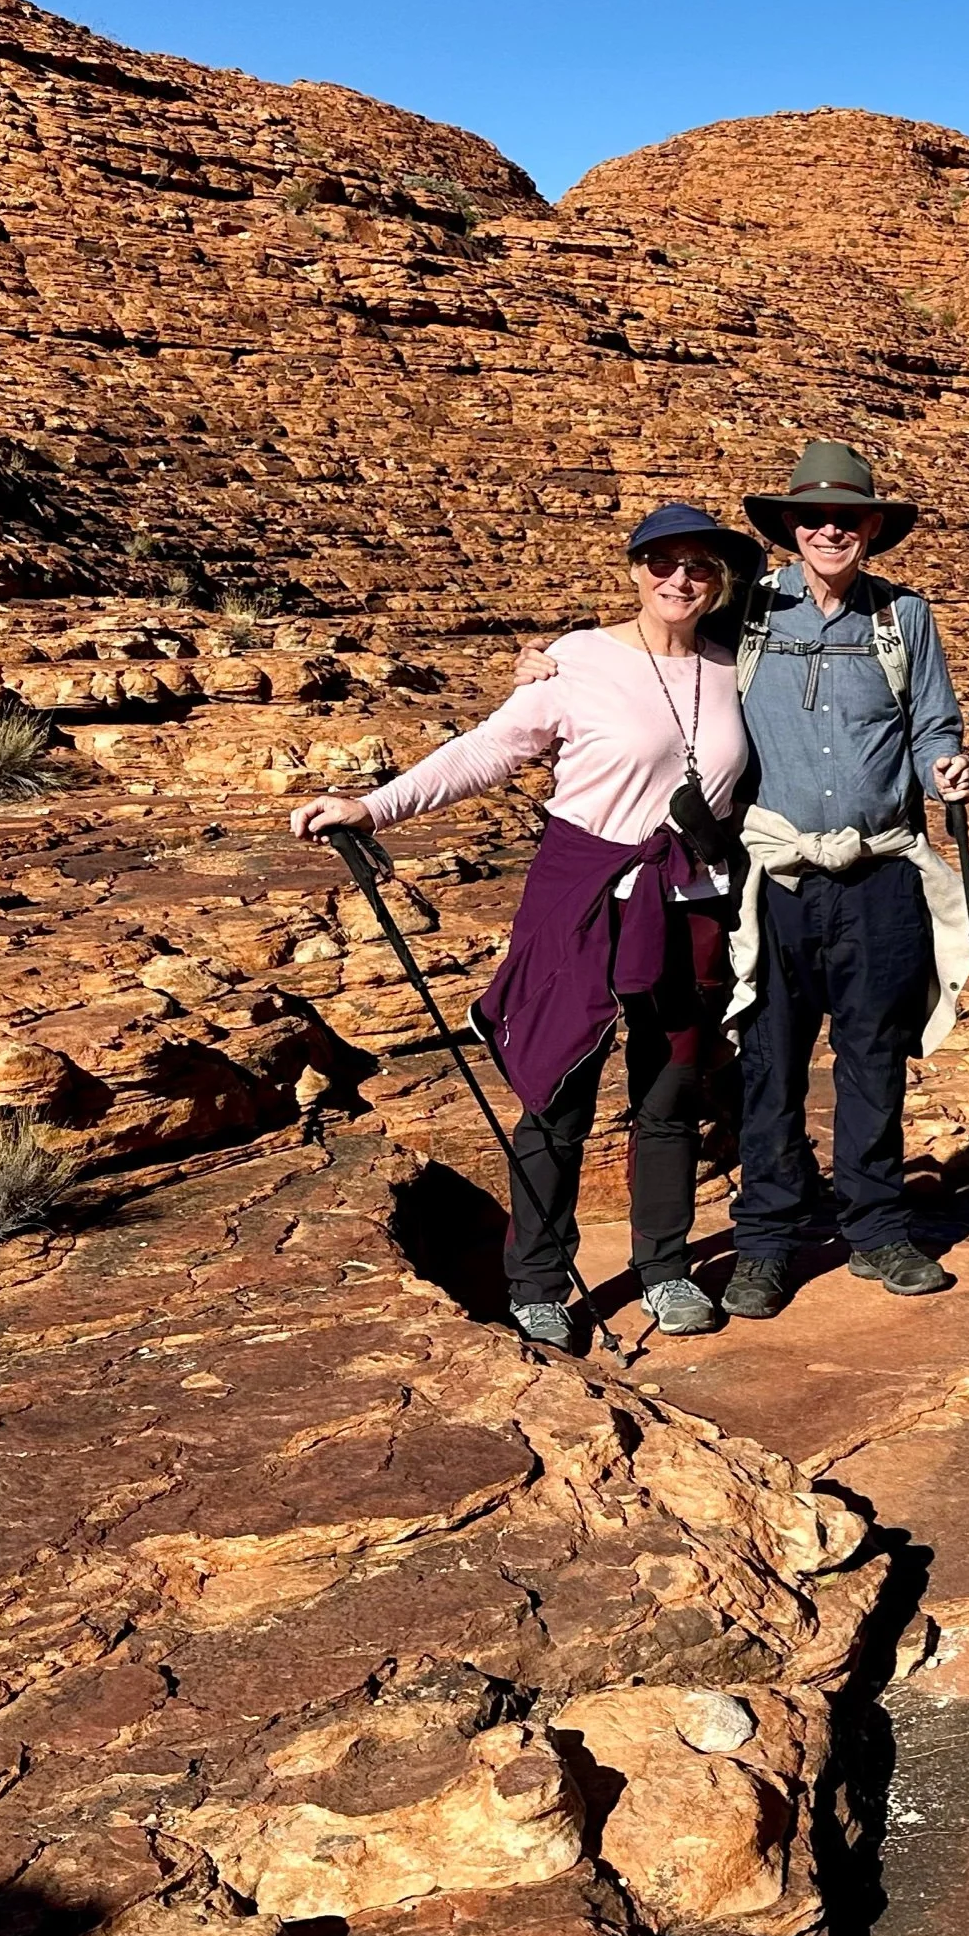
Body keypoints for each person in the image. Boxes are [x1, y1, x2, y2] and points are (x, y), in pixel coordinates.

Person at [514, 442, 969, 1320]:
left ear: (873, 528)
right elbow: (661, 637)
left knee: (875, 1053)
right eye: (812, 516)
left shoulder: (904, 617)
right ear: (788, 528)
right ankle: (766, 1242)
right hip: (777, 877)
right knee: (770, 1061)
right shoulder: (753, 609)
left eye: (847, 516)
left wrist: (944, 767)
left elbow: (931, 724)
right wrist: (550, 658)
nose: (829, 529)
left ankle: (877, 1227)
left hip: (881, 870)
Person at [292, 502, 763, 1347]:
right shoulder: (576, 661)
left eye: (696, 566)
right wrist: (371, 808)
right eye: (661, 562)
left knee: (668, 1099)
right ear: (633, 569)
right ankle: (538, 1281)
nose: (678, 580)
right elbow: (488, 750)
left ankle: (664, 1270)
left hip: (688, 906)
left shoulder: (739, 667)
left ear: (719, 580)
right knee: (556, 1093)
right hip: (580, 900)